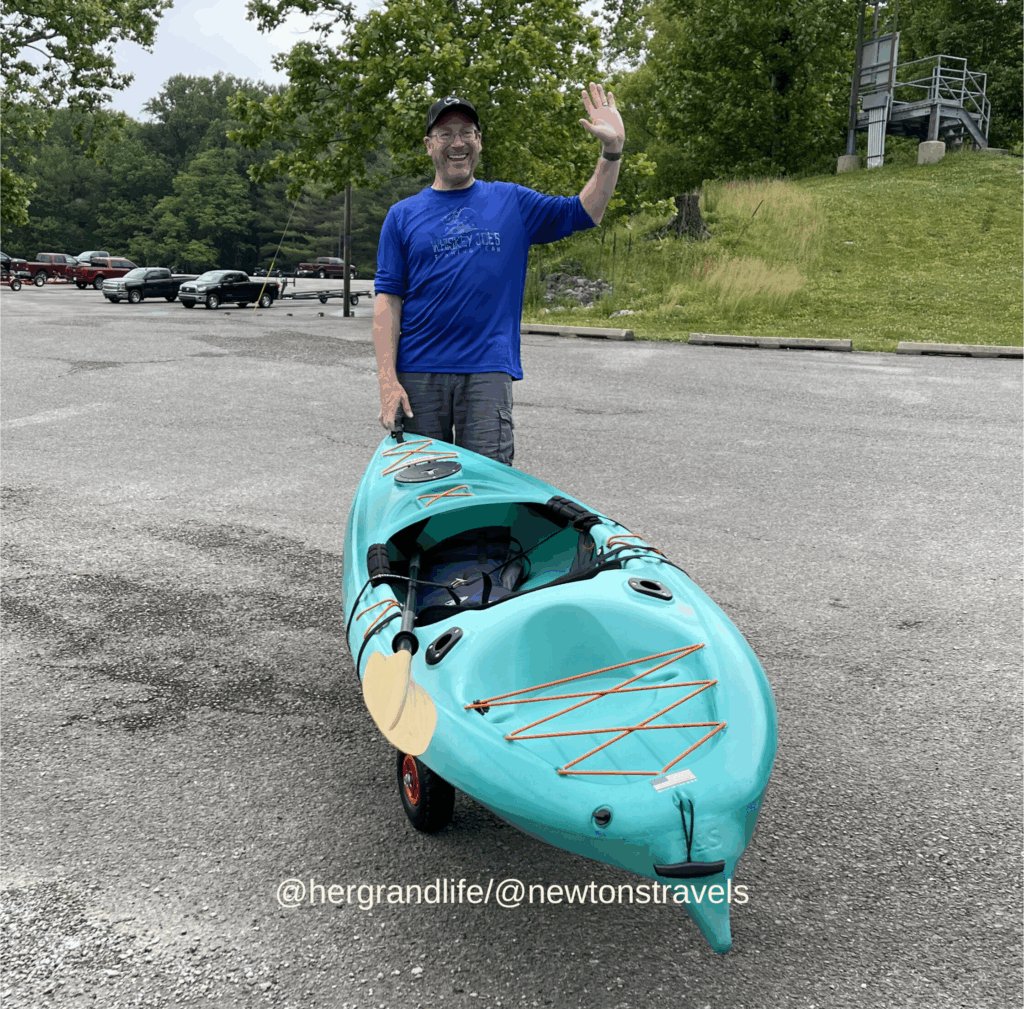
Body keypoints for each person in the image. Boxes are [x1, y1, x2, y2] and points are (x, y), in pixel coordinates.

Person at [373, 83, 625, 464]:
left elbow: (586, 211)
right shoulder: (402, 215)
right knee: (422, 492)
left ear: (479, 141)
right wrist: (387, 381)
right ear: (429, 145)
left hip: (488, 369)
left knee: (488, 488)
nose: (457, 143)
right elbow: (387, 302)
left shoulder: (512, 201)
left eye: (466, 133)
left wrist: (612, 152)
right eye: (445, 134)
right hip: (419, 373)